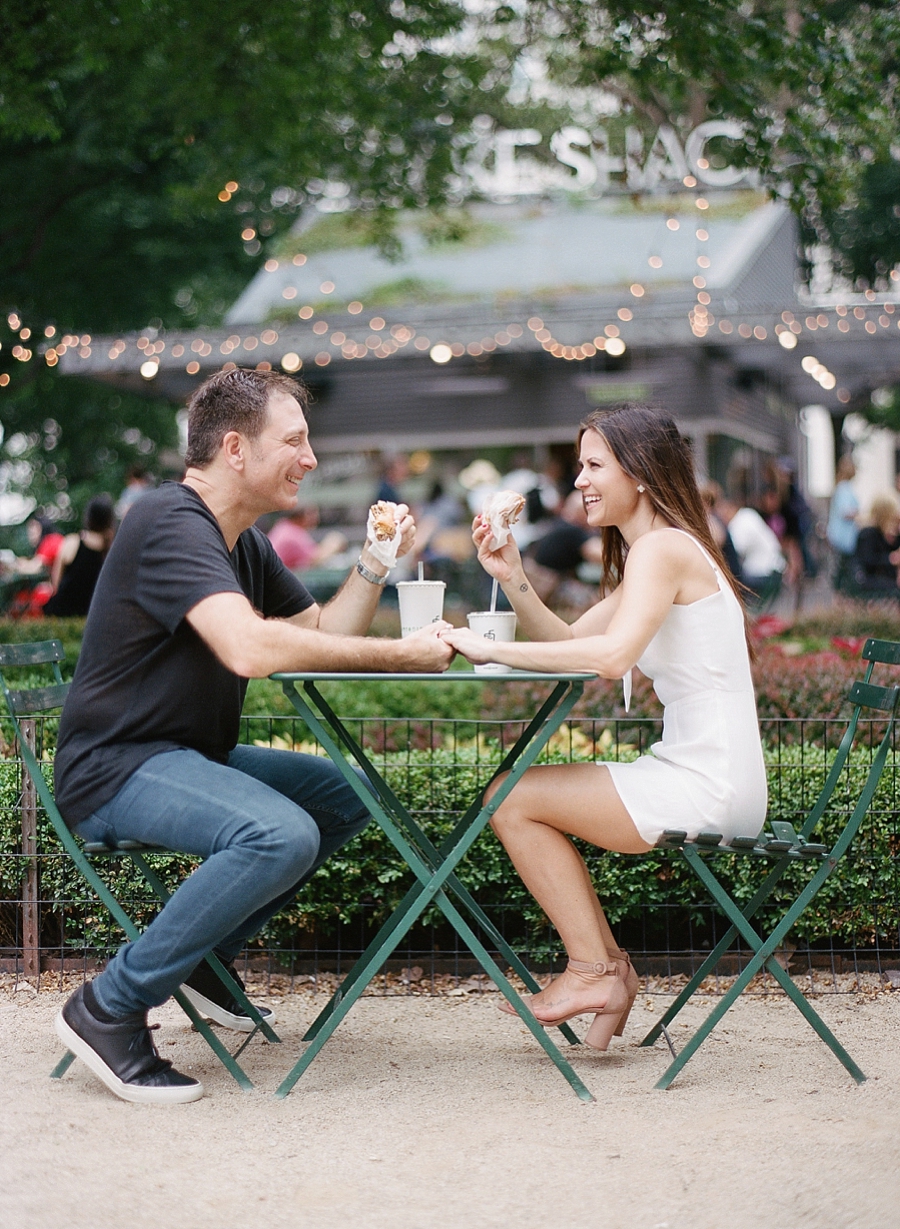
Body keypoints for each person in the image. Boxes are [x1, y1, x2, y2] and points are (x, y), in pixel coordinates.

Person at [53, 367, 453, 1105]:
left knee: (345, 794)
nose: (310, 458)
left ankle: (206, 963)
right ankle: (110, 1004)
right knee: (279, 834)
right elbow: (250, 649)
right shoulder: (169, 520)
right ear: (235, 449)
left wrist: (375, 556)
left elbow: (325, 632)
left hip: (185, 757)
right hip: (113, 770)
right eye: (294, 440)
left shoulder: (243, 542)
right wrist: (403, 652)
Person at [439, 406, 767, 1051]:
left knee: (512, 797)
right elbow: (567, 639)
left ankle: (595, 970)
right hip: (698, 770)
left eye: (594, 466)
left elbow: (610, 657)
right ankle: (603, 970)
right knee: (514, 792)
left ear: (639, 473)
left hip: (710, 783)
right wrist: (513, 577)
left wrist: (485, 648)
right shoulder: (660, 551)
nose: (578, 482)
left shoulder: (666, 549)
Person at [44, 495, 117, 618]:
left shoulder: (72, 543)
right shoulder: (113, 550)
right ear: (110, 521)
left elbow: (55, 584)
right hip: (94, 618)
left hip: (62, 615)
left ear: (88, 518)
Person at [716, 494, 786, 603]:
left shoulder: (739, 523)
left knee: (726, 583)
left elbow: (735, 551)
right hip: (774, 569)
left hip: (763, 572)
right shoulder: (748, 514)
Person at [267, 504, 348, 571]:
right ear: (301, 516)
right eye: (312, 513)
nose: (316, 518)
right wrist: (334, 543)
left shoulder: (285, 527)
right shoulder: (291, 534)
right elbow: (316, 560)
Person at [850, 494, 900, 598]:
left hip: (883, 578)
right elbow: (868, 560)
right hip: (867, 580)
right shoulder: (868, 534)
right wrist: (890, 559)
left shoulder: (890, 534)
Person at [827, 454, 860, 592]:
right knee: (843, 567)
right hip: (842, 536)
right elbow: (845, 512)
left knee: (842, 567)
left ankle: (841, 593)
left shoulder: (842, 487)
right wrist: (858, 514)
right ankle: (841, 594)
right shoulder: (844, 488)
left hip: (841, 535)